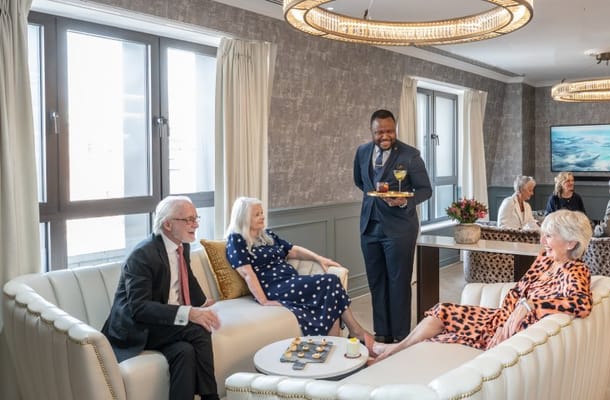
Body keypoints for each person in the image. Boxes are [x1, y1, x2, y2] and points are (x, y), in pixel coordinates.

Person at [370, 209, 593, 362]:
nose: (543, 241)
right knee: (443, 310)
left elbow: (581, 303)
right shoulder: (546, 259)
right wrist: (520, 305)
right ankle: (393, 350)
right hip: (497, 318)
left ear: (571, 243)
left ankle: (390, 353)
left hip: (504, 330)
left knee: (442, 330)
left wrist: (531, 304)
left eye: (549, 236)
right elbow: (520, 290)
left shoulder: (575, 271)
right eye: (543, 235)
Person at [102, 196, 221, 400]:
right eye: (189, 219)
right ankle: (211, 397)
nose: (196, 224)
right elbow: (139, 308)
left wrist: (202, 303)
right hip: (138, 328)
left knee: (185, 352)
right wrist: (190, 313)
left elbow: (187, 278)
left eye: (196, 218)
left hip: (164, 324)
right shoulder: (143, 255)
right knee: (198, 330)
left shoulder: (181, 246)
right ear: (168, 224)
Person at [224, 197, 376, 351]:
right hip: (274, 287)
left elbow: (293, 250)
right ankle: (356, 331)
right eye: (257, 214)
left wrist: (320, 258)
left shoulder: (266, 235)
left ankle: (334, 346)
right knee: (330, 281)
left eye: (262, 212)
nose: (262, 216)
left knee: (329, 295)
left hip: (290, 281)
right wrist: (264, 301)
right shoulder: (236, 240)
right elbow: (247, 272)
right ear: (243, 217)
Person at [353, 109, 433, 343]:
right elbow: (360, 181)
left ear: (395, 129)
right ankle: (382, 332)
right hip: (369, 226)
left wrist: (404, 200)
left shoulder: (410, 155)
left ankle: (400, 335)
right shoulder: (362, 152)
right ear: (372, 131)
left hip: (400, 228)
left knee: (398, 281)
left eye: (389, 131)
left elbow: (425, 189)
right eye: (379, 132)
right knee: (376, 282)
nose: (385, 136)